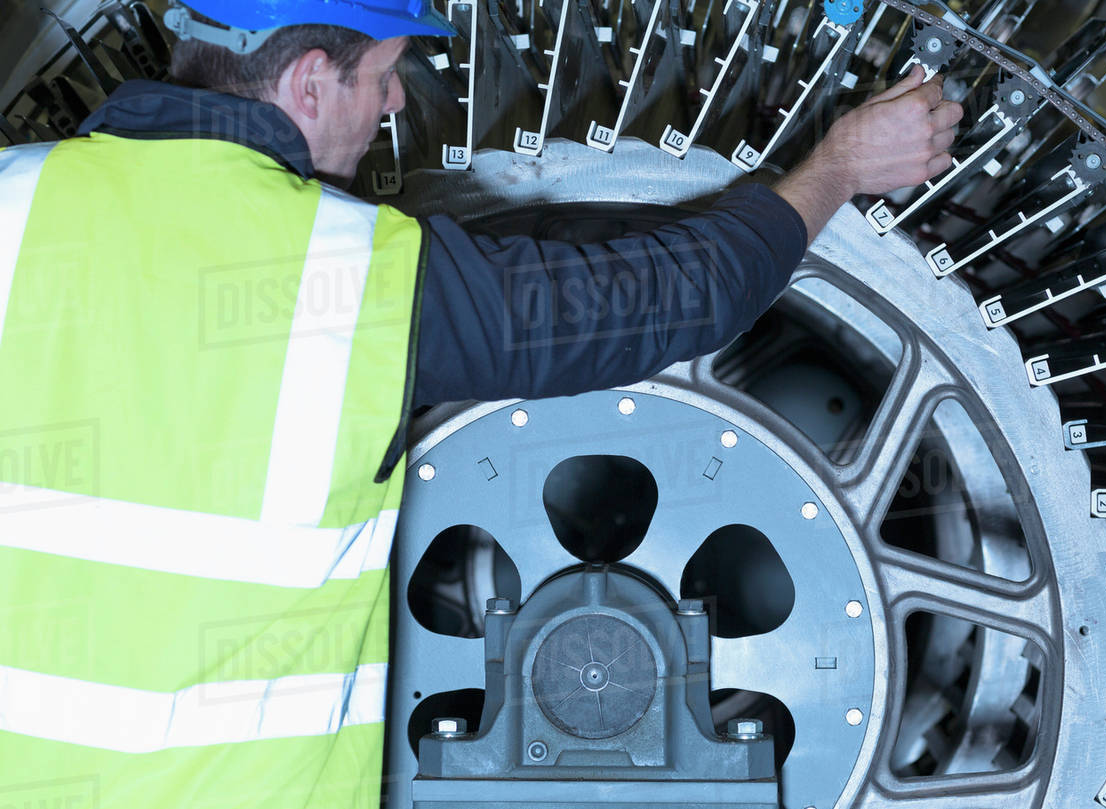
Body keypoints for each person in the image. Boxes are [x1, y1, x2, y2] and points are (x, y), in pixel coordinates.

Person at [0, 1, 962, 807]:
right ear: (306, 84)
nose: (390, 107)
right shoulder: (350, 276)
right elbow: (671, 296)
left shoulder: (14, 203)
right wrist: (838, 168)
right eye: (382, 77)